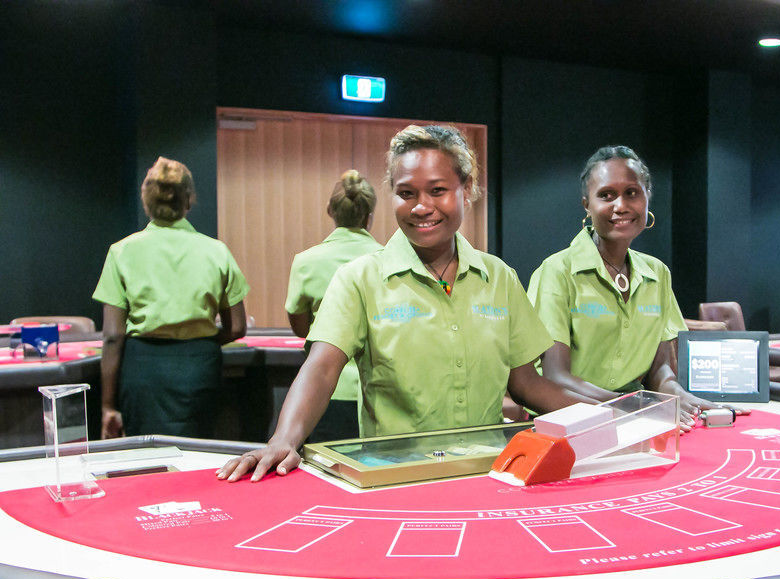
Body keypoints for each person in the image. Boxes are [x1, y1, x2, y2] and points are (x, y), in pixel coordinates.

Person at [219, 125, 580, 482]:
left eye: (438, 191)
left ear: (467, 189)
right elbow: (322, 369)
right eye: (406, 193)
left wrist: (608, 417)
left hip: (484, 472)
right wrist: (283, 440)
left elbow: (526, 383)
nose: (422, 206)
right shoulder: (359, 279)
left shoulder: (499, 277)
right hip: (392, 476)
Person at [527, 145, 716, 428]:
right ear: (586, 205)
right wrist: (631, 407)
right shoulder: (556, 271)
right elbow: (554, 375)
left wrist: (677, 395)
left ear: (647, 198)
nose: (620, 206)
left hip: (636, 418)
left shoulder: (658, 273)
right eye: (606, 195)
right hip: (568, 421)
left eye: (632, 193)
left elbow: (661, 369)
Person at [94, 156, 250, 439]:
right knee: (199, 457)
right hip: (200, 367)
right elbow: (237, 327)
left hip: (143, 370)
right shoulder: (217, 251)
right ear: (188, 200)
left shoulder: (121, 252)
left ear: (146, 201)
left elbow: (113, 336)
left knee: (145, 462)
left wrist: (107, 406)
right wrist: (200, 340)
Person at [285, 169, 384, 441]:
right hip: (377, 391)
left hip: (325, 391)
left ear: (330, 210)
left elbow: (302, 328)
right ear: (369, 215)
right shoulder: (387, 262)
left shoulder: (305, 261)